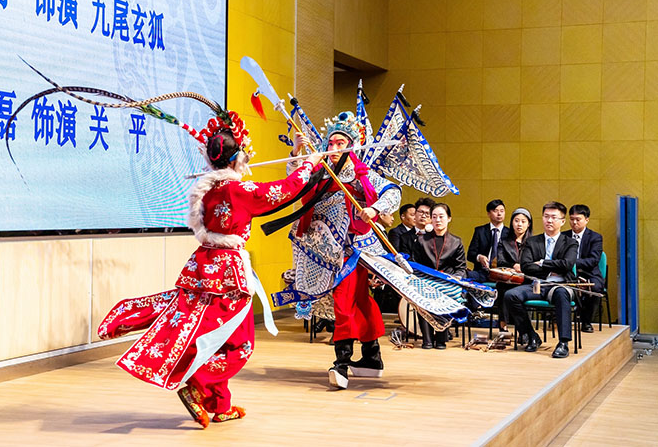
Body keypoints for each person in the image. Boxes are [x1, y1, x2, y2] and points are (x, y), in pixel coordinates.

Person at [98, 113, 323, 428]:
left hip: (204, 266)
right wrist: (309, 163)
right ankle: (197, 386)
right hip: (228, 274)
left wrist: (298, 155)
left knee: (219, 338)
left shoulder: (209, 189)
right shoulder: (238, 191)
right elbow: (284, 190)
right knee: (240, 344)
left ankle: (220, 405)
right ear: (237, 159)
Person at [286, 111, 402, 390]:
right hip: (327, 249)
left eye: (340, 144)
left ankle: (342, 362)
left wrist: (374, 209)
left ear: (351, 146)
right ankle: (372, 358)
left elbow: (393, 191)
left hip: (354, 251)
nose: (334, 149)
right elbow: (294, 183)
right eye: (331, 144)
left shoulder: (362, 174)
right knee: (360, 300)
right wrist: (296, 152)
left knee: (345, 300)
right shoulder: (319, 172)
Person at [504, 201, 578, 359]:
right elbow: (526, 266)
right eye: (546, 216)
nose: (549, 220)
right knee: (511, 295)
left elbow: (567, 264)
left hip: (560, 284)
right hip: (537, 285)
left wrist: (543, 263)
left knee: (562, 294)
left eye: (553, 217)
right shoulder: (532, 241)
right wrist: (553, 268)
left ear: (562, 221)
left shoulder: (570, 243)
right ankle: (531, 335)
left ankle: (563, 343)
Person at [410, 203, 467, 349]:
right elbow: (414, 265)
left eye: (441, 216)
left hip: (446, 282)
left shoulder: (456, 242)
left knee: (447, 293)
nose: (437, 220)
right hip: (425, 282)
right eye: (434, 217)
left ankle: (441, 339)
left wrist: (452, 278)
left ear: (449, 218)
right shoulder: (421, 240)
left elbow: (461, 268)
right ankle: (427, 339)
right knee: (421, 295)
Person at [561, 204, 603, 333]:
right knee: (558, 286)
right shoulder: (563, 236)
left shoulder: (595, 237)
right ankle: (560, 320)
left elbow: (593, 260)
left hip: (589, 272)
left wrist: (572, 263)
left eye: (578, 219)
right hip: (567, 273)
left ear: (586, 220)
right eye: (571, 219)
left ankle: (586, 321)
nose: (574, 222)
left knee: (595, 288)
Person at [494, 207, 533, 333]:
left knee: (520, 290)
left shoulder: (534, 242)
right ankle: (503, 326)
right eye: (516, 221)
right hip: (509, 277)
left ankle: (522, 330)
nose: (519, 224)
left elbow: (537, 263)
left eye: (523, 221)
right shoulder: (504, 241)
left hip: (526, 279)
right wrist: (514, 266)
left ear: (528, 224)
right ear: (512, 222)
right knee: (502, 287)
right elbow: (500, 262)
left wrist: (524, 268)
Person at [467, 199, 508, 283]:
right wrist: (479, 257)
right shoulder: (480, 231)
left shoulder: (510, 233)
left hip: (503, 274)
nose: (499, 214)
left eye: (502, 211)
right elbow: (470, 255)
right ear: (488, 214)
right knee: (464, 275)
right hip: (482, 272)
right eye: (495, 211)